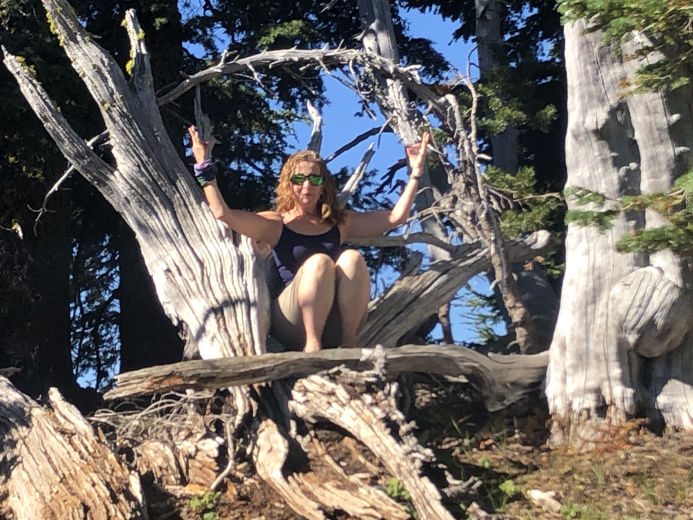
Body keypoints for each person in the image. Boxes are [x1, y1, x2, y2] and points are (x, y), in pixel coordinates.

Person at [189, 126, 430, 353]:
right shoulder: (276, 224)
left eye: (315, 179)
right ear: (288, 185)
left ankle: (349, 345)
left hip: (333, 319)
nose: (307, 186)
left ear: (324, 185)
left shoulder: (339, 223)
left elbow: (395, 218)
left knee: (352, 258)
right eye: (299, 179)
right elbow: (223, 214)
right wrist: (203, 167)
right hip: (292, 321)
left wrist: (415, 173)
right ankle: (312, 348)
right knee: (319, 262)